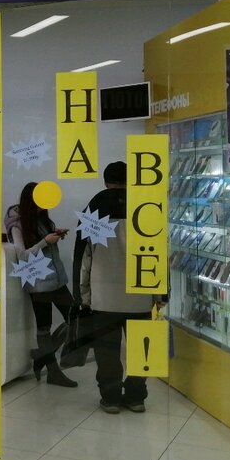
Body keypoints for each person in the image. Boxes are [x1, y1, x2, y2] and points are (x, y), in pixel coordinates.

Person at [71, 161, 152, 413]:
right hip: (141, 294)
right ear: (130, 179)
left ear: (105, 181)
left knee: (107, 351)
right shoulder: (145, 205)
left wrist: (82, 295)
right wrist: (162, 292)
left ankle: (111, 397)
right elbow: (160, 251)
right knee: (140, 349)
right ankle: (136, 397)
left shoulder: (94, 206)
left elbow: (84, 257)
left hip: (104, 295)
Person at [6, 182, 77, 388]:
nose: (43, 206)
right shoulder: (17, 225)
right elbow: (22, 256)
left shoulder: (43, 219)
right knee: (44, 327)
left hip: (57, 280)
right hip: (38, 283)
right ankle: (53, 371)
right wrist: (46, 241)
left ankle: (41, 355)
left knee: (76, 318)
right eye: (40, 202)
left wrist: (55, 234)